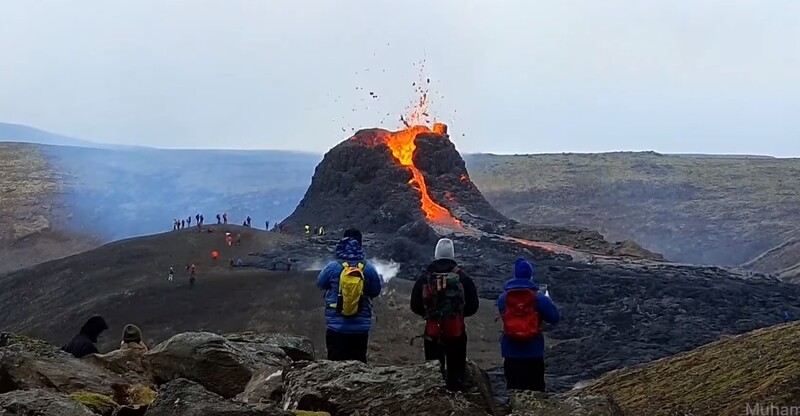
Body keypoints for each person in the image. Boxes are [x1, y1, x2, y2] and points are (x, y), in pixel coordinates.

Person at [410, 238, 479, 392]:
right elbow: (474, 306)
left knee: (434, 374)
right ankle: (457, 401)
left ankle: (436, 402)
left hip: (432, 332)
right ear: (452, 255)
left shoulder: (425, 278)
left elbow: (414, 305)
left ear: (436, 254)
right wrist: (456, 314)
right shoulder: (463, 278)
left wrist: (430, 314)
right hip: (456, 332)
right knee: (457, 372)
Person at [317, 228, 382, 363]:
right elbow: (375, 291)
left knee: (335, 365)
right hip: (360, 327)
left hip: (336, 326)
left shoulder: (333, 267)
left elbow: (320, 283)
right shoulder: (368, 268)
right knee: (358, 363)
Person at [497, 258, 559, 392]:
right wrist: (548, 301)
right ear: (530, 276)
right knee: (536, 390)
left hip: (511, 352)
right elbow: (554, 318)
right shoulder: (539, 298)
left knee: (513, 389)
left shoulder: (503, 298)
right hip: (533, 352)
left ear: (515, 275)